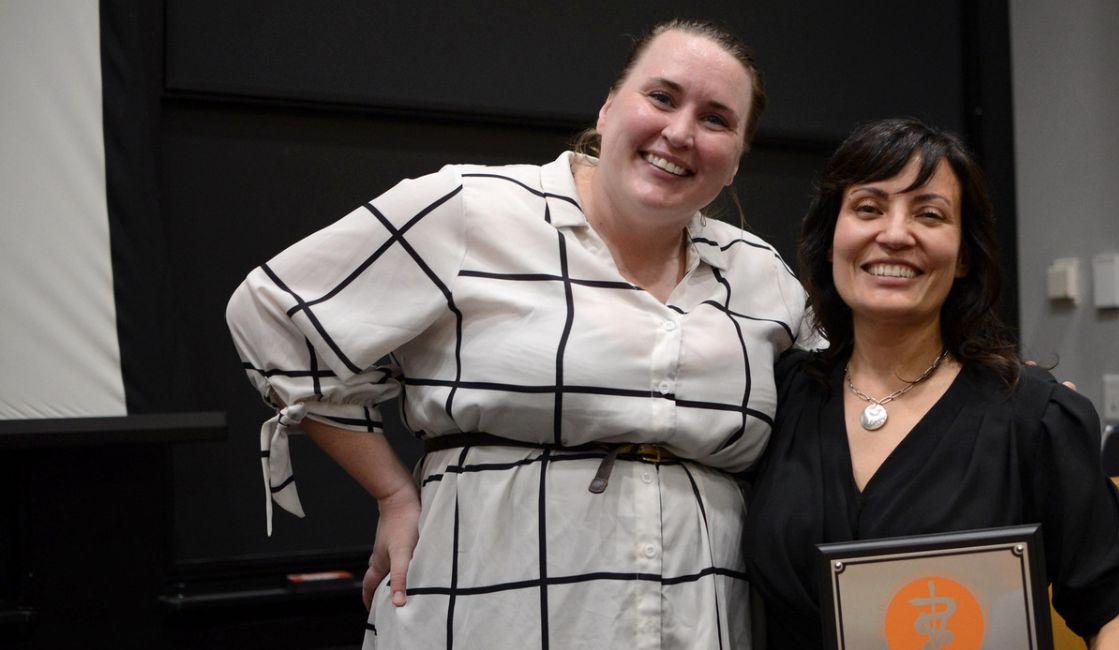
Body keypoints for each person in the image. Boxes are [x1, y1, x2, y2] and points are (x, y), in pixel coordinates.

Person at [227, 19, 814, 648]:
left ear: (737, 159)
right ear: (609, 107)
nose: (680, 132)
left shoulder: (763, 278)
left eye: (717, 119)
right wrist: (394, 492)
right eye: (662, 98)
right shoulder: (470, 207)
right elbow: (273, 314)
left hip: (703, 621)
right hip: (484, 612)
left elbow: (837, 418)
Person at [744, 118, 1119, 648]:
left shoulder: (1033, 416)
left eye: (929, 214)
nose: (893, 234)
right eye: (868, 208)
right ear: (830, 240)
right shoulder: (779, 395)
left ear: (963, 257)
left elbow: (1116, 613)